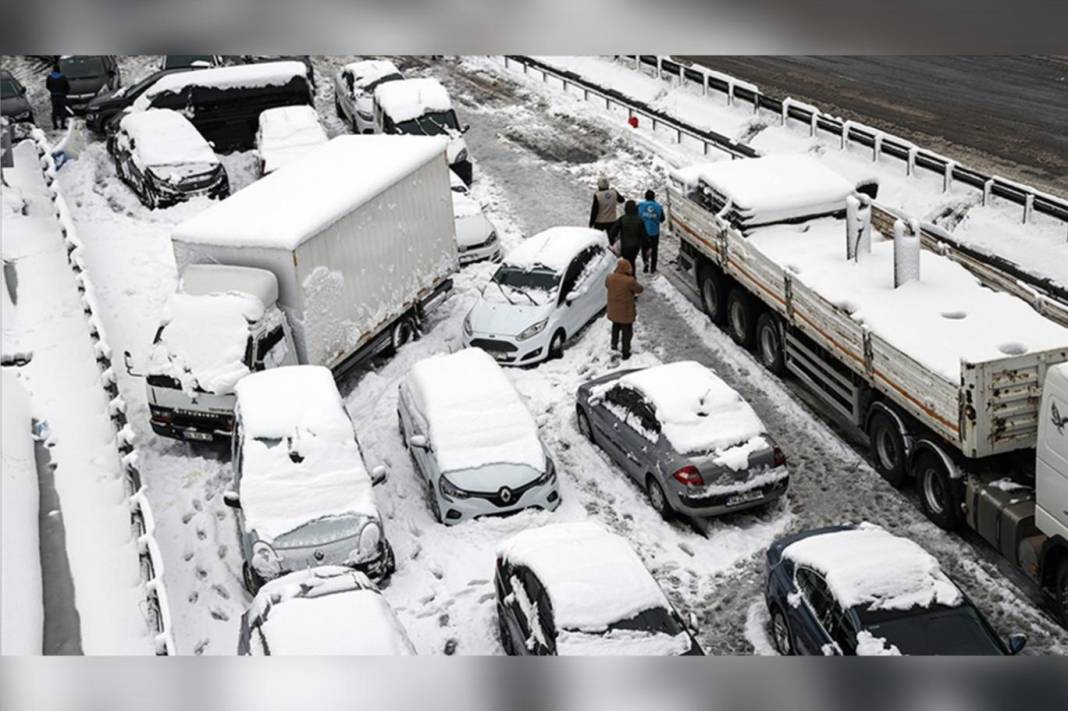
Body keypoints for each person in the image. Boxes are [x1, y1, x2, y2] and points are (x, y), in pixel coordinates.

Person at [605, 258, 643, 360]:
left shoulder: (609, 278)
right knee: (627, 332)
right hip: (625, 312)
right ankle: (625, 352)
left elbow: (607, 285)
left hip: (614, 311)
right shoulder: (629, 281)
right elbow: (640, 289)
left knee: (615, 328)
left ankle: (614, 346)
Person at [637, 189, 666, 273]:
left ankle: (646, 263)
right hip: (654, 232)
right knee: (654, 249)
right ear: (654, 197)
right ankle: (653, 267)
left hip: (644, 232)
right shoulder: (658, 206)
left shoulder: (640, 206)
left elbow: (637, 216)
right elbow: (662, 219)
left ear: (645, 197)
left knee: (644, 248)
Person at [616, 200, 647, 269]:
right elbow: (644, 235)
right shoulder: (639, 220)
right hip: (635, 246)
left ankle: (627, 274)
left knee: (626, 261)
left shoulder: (622, 219)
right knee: (632, 260)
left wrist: (613, 241)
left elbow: (613, 231)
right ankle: (632, 276)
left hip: (625, 245)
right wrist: (647, 246)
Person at [46, 62, 70, 130]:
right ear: (59, 70)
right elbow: (67, 87)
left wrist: (52, 91)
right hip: (62, 96)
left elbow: (47, 86)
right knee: (62, 110)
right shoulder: (63, 77)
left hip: (54, 96)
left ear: (53, 70)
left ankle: (55, 126)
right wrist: (65, 92)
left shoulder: (50, 77)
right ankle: (62, 125)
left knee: (54, 111)